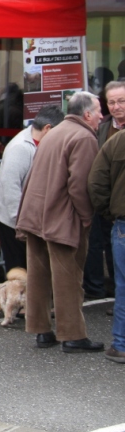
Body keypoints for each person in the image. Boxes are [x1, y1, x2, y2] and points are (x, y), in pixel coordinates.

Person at [18, 91, 104, 353]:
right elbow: (80, 185)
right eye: (99, 110)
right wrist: (87, 217)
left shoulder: (54, 131)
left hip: (36, 213)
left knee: (39, 276)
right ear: (87, 114)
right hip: (61, 216)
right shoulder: (84, 137)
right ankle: (73, 335)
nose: (102, 115)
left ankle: (41, 330)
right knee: (68, 278)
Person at [0, 105, 64, 271]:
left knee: (33, 268)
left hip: (28, 219)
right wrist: (20, 223)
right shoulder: (20, 148)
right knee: (19, 269)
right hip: (14, 221)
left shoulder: (40, 142)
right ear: (47, 128)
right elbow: (10, 186)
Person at [88, 108, 125, 365]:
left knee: (123, 286)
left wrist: (107, 211)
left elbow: (96, 181)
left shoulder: (118, 140)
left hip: (122, 221)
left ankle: (121, 344)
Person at [84, 80, 125, 298]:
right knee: (102, 244)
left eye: (121, 101)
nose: (116, 107)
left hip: (121, 205)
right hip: (103, 202)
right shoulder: (103, 127)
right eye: (111, 102)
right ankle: (106, 291)